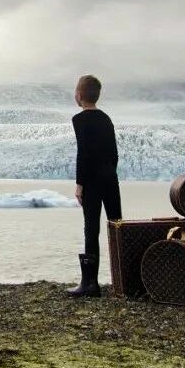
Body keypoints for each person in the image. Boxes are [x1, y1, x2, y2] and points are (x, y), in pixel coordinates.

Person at [67, 75, 121, 297]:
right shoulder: (106, 118)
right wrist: (110, 174)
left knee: (92, 229)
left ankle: (90, 284)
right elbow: (114, 153)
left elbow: (84, 154)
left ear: (79, 95)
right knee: (117, 226)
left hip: (92, 181)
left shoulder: (79, 120)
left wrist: (80, 184)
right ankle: (126, 279)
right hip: (110, 179)